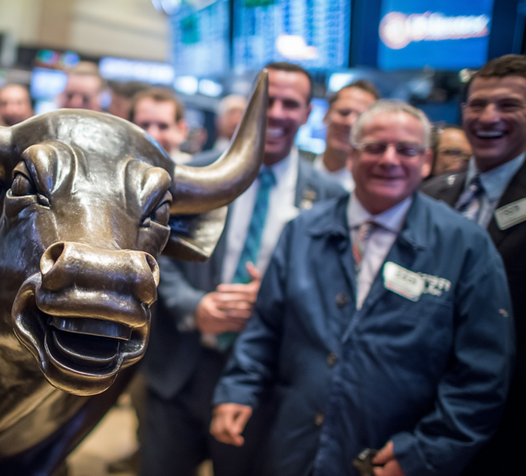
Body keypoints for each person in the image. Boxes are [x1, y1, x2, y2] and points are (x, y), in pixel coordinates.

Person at [212, 100, 514, 476]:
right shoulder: (303, 231)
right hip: (292, 445)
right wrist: (239, 389)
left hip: (388, 456)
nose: (389, 160)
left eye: (406, 150)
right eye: (374, 147)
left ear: (425, 161)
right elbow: (265, 326)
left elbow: (482, 375)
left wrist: (428, 451)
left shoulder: (465, 245)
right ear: (352, 155)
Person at [140, 62, 345, 476]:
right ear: (250, 106)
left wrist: (273, 302)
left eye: (292, 103)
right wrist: (195, 307)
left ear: (308, 113)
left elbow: (334, 292)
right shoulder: (197, 173)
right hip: (181, 367)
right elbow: (156, 251)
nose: (277, 113)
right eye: (268, 101)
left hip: (263, 384)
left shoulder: (329, 198)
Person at [421, 54, 526, 476]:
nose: (489, 117)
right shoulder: (430, 195)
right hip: (418, 414)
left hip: (506, 427)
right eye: (478, 104)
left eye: (509, 106)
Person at [313, 80, 380, 191]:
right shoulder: (295, 170)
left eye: (360, 117)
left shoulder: (372, 190)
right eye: (344, 112)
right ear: (326, 114)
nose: (350, 122)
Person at [130, 87, 191, 164]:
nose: (153, 134)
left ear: (181, 130)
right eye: (144, 125)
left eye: (163, 126)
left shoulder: (194, 170)